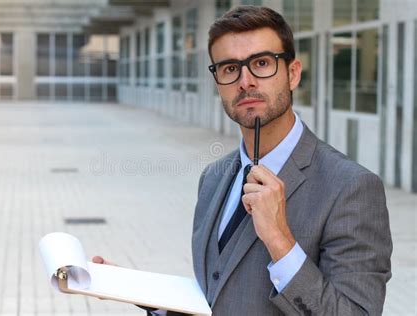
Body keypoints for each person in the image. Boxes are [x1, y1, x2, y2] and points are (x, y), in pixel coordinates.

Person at [94, 5, 392, 315]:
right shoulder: (213, 177)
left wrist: (280, 241)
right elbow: (219, 299)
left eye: (262, 63)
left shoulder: (351, 188)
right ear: (218, 83)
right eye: (229, 68)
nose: (245, 81)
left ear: (292, 74)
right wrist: (145, 295)